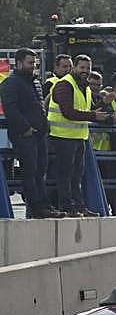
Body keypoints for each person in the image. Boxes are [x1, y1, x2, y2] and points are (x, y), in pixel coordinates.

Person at [47, 54, 110, 216]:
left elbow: (91, 110)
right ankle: (67, 207)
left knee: (77, 176)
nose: (85, 71)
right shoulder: (64, 85)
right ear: (74, 67)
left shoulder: (85, 87)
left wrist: (105, 103)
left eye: (88, 68)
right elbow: (68, 112)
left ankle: (79, 206)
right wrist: (93, 115)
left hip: (78, 137)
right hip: (62, 137)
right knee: (66, 175)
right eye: (82, 67)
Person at [1, 48, 56, 218]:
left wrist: (44, 127)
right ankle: (36, 206)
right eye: (30, 63)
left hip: (39, 134)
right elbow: (11, 109)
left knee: (40, 171)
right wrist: (25, 129)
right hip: (25, 135)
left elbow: (39, 107)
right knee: (30, 172)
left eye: (35, 63)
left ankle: (44, 205)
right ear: (19, 63)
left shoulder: (34, 82)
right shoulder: (11, 83)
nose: (33, 66)